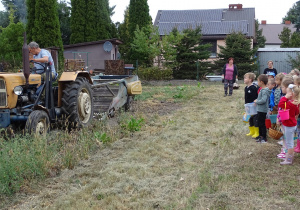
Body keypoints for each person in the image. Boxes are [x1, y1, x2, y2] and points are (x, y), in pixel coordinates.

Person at [277, 82, 300, 165]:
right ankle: (288, 157)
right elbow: (296, 112)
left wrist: (285, 98)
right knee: (289, 142)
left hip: (289, 125)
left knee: (289, 143)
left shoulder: (290, 103)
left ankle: (289, 160)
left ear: (291, 93)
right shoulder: (295, 103)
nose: (286, 94)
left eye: (288, 92)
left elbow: (280, 104)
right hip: (292, 124)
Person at [254, 74, 271, 143]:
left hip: (262, 110)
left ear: (262, 82)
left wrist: (257, 101)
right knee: (259, 123)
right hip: (259, 109)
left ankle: (264, 137)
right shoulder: (262, 90)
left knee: (262, 124)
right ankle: (260, 136)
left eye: (258, 81)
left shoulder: (264, 91)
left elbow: (263, 100)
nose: (257, 83)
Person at [244, 73, 258, 137]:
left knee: (255, 118)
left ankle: (256, 132)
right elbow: (246, 98)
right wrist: (246, 105)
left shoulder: (253, 88)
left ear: (250, 79)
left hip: (253, 106)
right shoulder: (246, 88)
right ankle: (251, 131)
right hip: (248, 106)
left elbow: (256, 97)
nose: (244, 79)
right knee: (250, 119)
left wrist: (255, 103)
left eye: (245, 78)